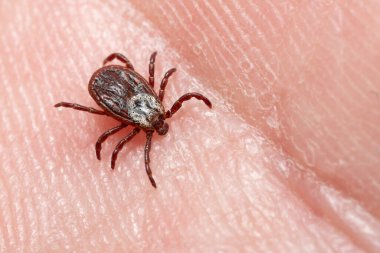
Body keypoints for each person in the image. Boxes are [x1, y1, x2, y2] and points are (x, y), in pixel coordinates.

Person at [0, 1, 379, 252]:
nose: (160, 123)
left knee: (112, 112)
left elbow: (119, 131)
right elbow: (118, 131)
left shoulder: (144, 117)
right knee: (101, 116)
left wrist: (129, 140)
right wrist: (130, 156)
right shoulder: (146, 116)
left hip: (120, 88)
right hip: (118, 88)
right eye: (162, 116)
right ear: (162, 102)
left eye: (160, 117)